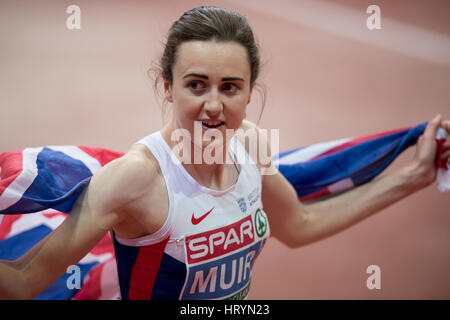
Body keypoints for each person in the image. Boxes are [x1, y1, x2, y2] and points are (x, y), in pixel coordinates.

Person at [0, 6, 449, 300]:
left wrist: (412, 177)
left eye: (229, 87)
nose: (213, 106)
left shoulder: (251, 145)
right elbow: (23, 282)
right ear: (167, 86)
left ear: (250, 92)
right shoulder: (136, 179)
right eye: (196, 85)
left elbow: (299, 225)